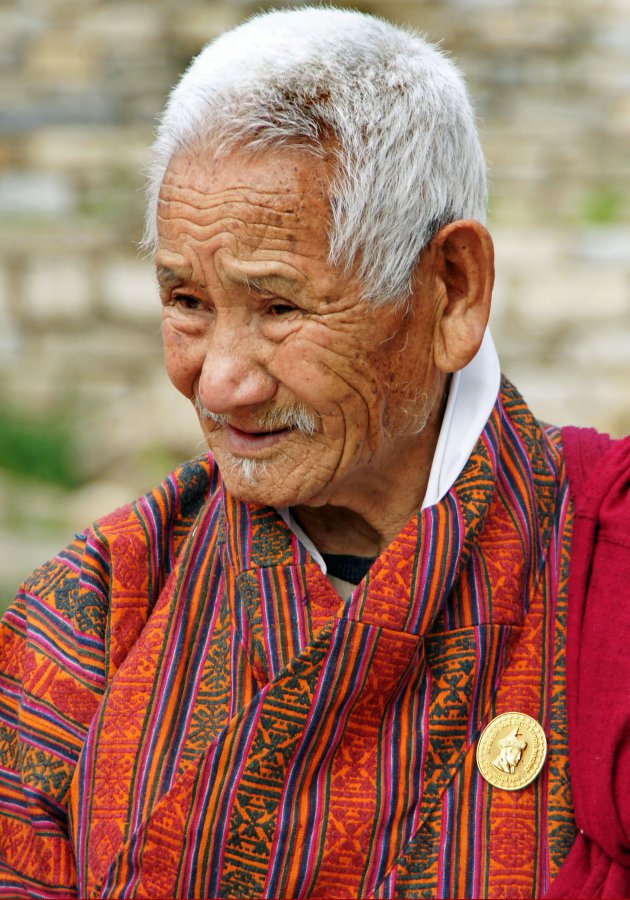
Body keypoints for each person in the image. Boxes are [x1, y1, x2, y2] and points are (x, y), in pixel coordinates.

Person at [0, 6, 628, 898]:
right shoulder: (92, 617)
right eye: (185, 300)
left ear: (452, 290)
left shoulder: (608, 567)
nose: (218, 384)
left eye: (280, 308)